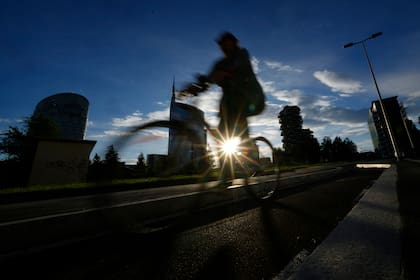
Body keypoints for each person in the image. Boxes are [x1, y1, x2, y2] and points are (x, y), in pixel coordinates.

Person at [182, 32, 265, 181]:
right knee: (222, 137)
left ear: (234, 43)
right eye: (221, 44)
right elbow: (209, 80)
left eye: (226, 42)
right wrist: (195, 87)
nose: (223, 46)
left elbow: (235, 67)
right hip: (230, 104)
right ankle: (226, 176)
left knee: (238, 127)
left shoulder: (242, 54)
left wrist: (222, 74)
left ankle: (252, 160)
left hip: (251, 98)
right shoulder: (219, 63)